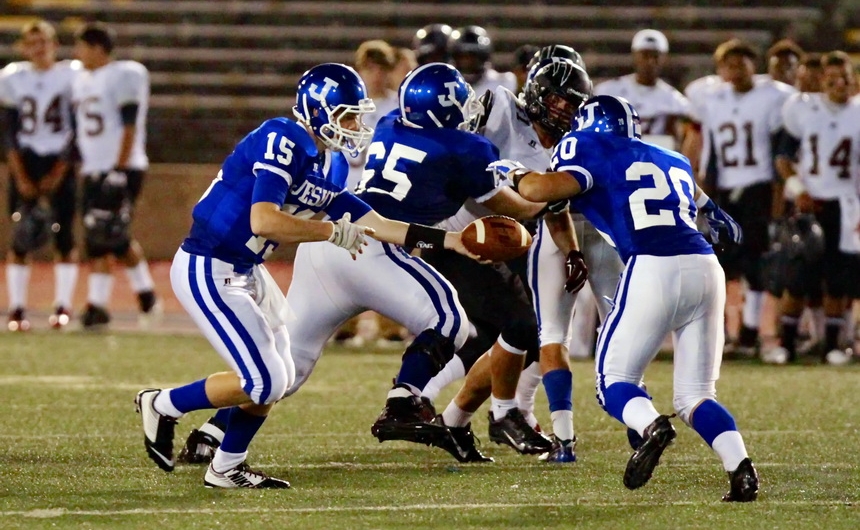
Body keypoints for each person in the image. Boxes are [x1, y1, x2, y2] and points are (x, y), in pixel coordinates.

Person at [135, 62, 479, 487]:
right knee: (264, 381)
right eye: (346, 116)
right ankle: (163, 404)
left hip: (246, 270)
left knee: (281, 376)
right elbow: (263, 220)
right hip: (209, 264)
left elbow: (376, 223)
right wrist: (330, 232)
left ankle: (226, 466)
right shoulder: (283, 137)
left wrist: (451, 241)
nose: (354, 126)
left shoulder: (328, 163)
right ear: (318, 111)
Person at [500, 94, 758, 502]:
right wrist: (714, 210)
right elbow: (703, 202)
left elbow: (539, 189)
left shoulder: (585, 146)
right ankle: (741, 469)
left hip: (652, 266)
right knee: (696, 396)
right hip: (707, 268)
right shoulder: (671, 157)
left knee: (613, 383)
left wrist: (512, 172)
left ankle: (651, 426)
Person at [419, 57, 594, 462]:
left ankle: (453, 421)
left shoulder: (567, 148)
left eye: (571, 103)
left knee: (513, 337)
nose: (562, 109)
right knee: (521, 326)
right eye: (556, 99)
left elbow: (555, 208)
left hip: (500, 243)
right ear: (536, 93)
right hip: (457, 236)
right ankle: (501, 413)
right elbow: (454, 145)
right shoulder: (500, 108)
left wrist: (572, 250)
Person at [688, 39, 796, 355]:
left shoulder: (773, 96)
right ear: (720, 69)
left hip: (757, 187)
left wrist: (778, 194)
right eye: (729, 64)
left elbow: (777, 149)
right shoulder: (710, 97)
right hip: (724, 190)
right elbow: (707, 148)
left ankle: (749, 332)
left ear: (754, 65)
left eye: (742, 63)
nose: (736, 70)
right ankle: (721, 330)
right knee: (721, 263)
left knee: (756, 262)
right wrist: (704, 189)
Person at [767, 51, 860, 365]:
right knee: (797, 279)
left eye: (844, 78)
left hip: (845, 207)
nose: (839, 85)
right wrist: (798, 189)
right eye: (832, 79)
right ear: (822, 81)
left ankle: (832, 346)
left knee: (838, 281)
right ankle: (786, 345)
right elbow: (783, 158)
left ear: (853, 81)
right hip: (808, 204)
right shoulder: (803, 109)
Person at [71, 22, 160, 328]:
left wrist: (119, 169)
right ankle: (144, 296)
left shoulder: (124, 74)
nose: (78, 53)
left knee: (106, 234)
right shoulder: (81, 78)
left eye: (82, 47)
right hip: (94, 167)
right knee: (109, 237)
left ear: (97, 48)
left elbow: (129, 125)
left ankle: (100, 306)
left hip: (122, 167)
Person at [0, 20, 80, 331]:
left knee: (64, 237)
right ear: (22, 48)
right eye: (32, 43)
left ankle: (62, 307)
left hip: (60, 157)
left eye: (43, 42)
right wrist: (19, 174)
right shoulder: (12, 77)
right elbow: (8, 131)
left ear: (55, 45)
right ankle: (17, 309)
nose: (38, 48)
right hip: (27, 159)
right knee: (21, 235)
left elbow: (77, 129)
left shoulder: (71, 75)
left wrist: (61, 168)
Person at [594, 29, 693, 150]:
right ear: (635, 55)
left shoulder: (673, 99)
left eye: (655, 56)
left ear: (664, 58)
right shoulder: (610, 90)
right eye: (645, 55)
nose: (650, 61)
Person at [448, 26, 517, 95]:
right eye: (461, 57)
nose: (466, 62)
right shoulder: (447, 83)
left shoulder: (502, 82)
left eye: (471, 57)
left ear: (483, 57)